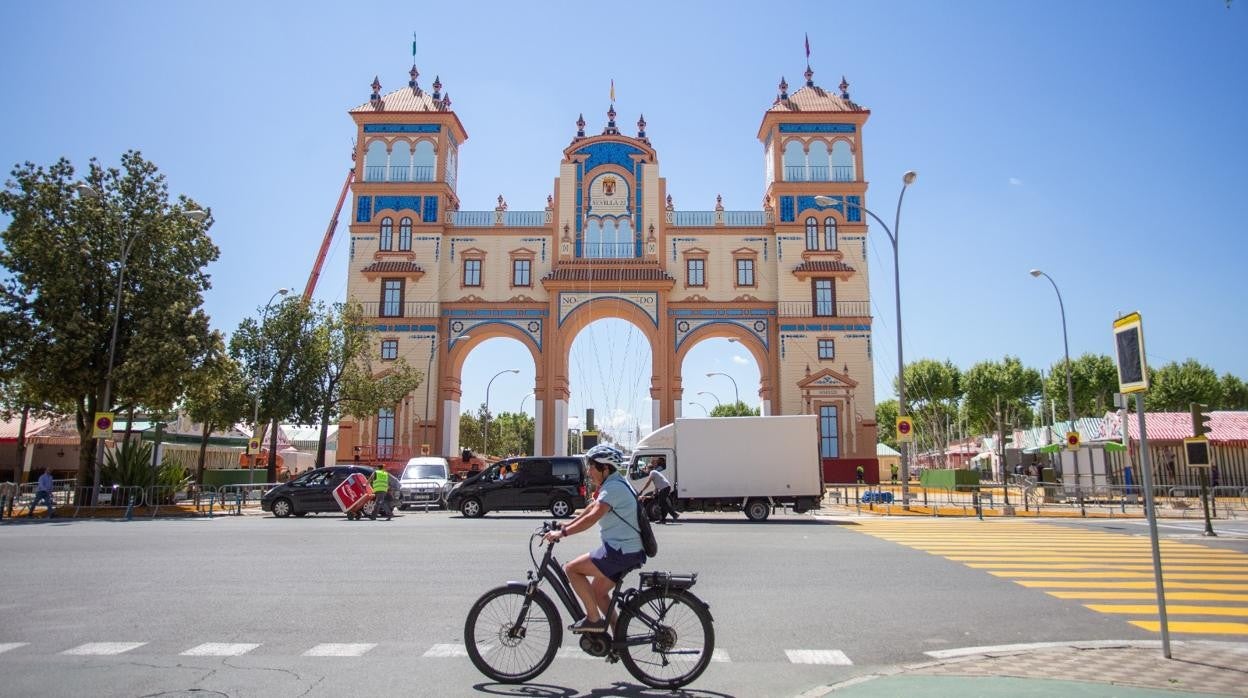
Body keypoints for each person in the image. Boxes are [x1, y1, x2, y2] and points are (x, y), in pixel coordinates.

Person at [543, 444, 645, 634]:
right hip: (627, 549)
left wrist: (563, 534)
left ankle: (593, 619)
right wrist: (565, 526)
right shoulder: (614, 484)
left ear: (605, 468)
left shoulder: (613, 487)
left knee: (571, 569)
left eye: (592, 467)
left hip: (620, 551)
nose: (588, 471)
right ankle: (618, 639)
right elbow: (590, 509)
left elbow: (593, 516)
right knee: (598, 593)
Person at [639, 459, 679, 524]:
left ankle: (672, 515)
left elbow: (648, 483)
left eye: (647, 469)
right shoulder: (655, 472)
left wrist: (642, 490)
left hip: (665, 488)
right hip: (665, 488)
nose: (647, 470)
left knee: (662, 503)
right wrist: (655, 491)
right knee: (662, 503)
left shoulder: (652, 472)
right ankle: (664, 519)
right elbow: (657, 483)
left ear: (649, 468)